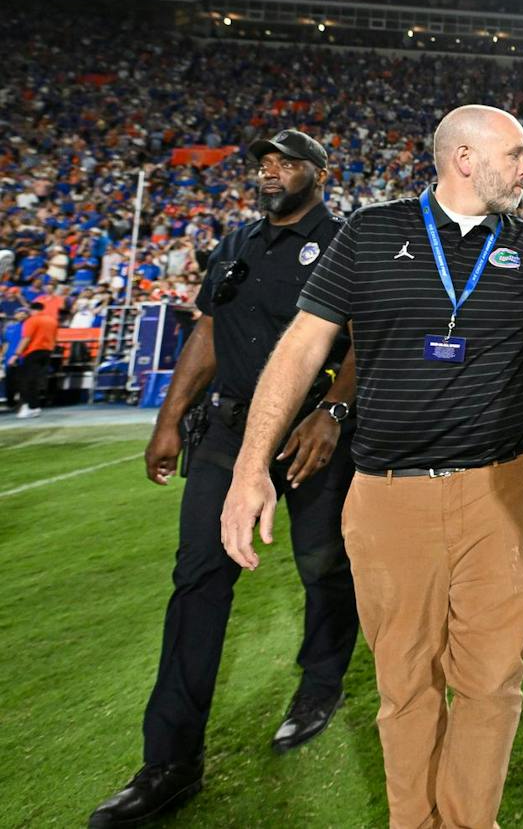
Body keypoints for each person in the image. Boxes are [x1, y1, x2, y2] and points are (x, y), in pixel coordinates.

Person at [221, 105, 523, 829]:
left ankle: (469, 821)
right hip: (388, 497)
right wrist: (250, 468)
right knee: (405, 686)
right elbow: (304, 346)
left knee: (493, 682)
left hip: (500, 489)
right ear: (464, 157)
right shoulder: (370, 233)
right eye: (517, 154)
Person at [90, 130, 360, 827]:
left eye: (287, 163)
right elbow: (208, 331)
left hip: (308, 432)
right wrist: (168, 417)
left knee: (324, 564)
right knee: (198, 577)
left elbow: (367, 335)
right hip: (228, 431)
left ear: (319, 174)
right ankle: (170, 761)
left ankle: (320, 680)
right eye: (264, 164)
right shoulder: (236, 242)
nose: (271, 173)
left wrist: (333, 409)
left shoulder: (345, 240)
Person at [14, 296, 59, 419]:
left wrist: (16, 354)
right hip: (47, 352)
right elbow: (55, 339)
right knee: (37, 381)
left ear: (32, 309)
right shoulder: (52, 321)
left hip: (33, 352)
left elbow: (26, 339)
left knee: (27, 381)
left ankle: (31, 407)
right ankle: (34, 407)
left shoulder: (32, 320)